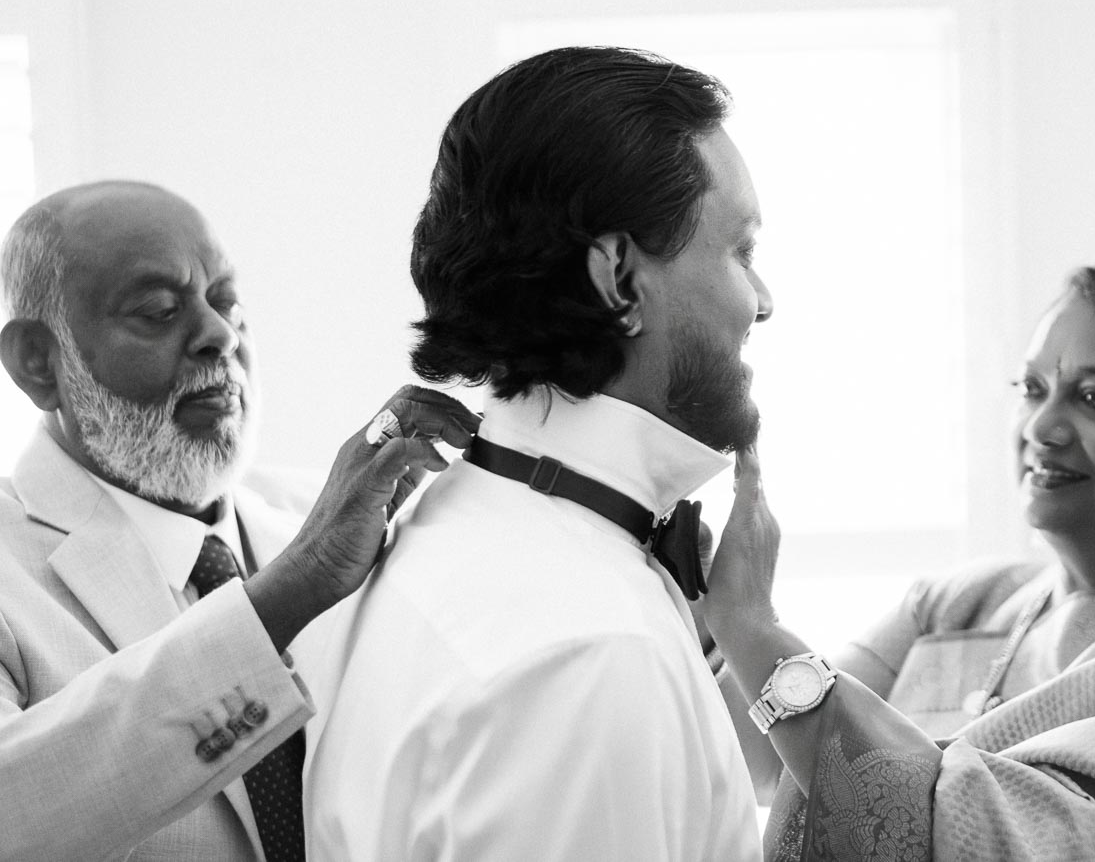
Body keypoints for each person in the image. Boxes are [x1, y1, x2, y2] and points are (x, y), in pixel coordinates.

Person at [704, 250, 1095, 861]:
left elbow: (972, 841)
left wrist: (755, 628)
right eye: (1032, 387)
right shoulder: (960, 606)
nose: (1042, 428)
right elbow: (758, 761)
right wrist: (702, 602)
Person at [306, 46, 771, 860]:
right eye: (741, 251)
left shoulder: (435, 526)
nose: (763, 302)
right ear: (620, 277)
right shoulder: (591, 653)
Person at [0, 180, 477, 861]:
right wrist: (286, 597)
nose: (219, 335)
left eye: (228, 303)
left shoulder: (327, 517)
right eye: (159, 311)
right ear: (37, 363)